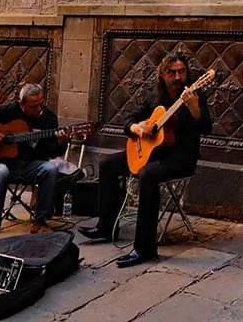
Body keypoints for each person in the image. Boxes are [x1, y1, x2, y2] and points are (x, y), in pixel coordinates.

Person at [83, 50, 212, 267]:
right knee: (107, 164)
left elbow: (206, 127)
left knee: (148, 175)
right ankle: (106, 226)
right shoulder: (154, 96)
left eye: (181, 72)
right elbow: (130, 118)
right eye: (172, 73)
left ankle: (144, 248)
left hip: (181, 157)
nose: (178, 77)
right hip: (153, 152)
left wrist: (195, 109)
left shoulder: (195, 95)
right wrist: (136, 128)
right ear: (163, 74)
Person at [0, 83, 71, 244]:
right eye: (34, 106)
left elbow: (51, 151)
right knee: (0, 173)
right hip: (1, 162)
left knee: (50, 169)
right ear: (22, 104)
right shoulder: (9, 111)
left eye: (41, 103)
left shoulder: (48, 118)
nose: (39, 108)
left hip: (28, 164)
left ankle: (40, 221)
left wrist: (61, 142)